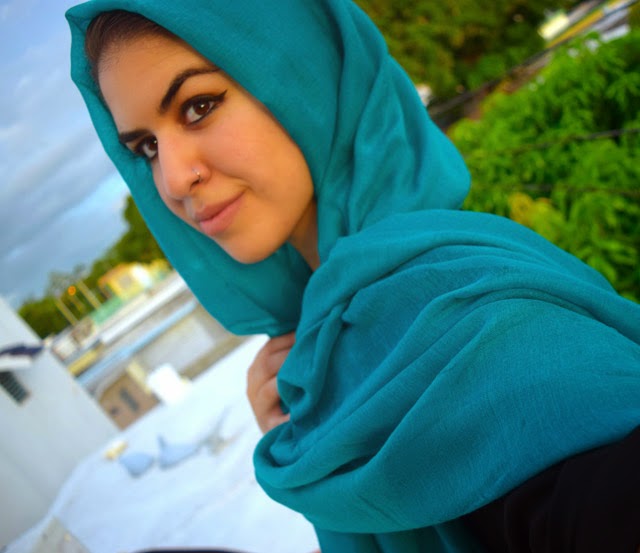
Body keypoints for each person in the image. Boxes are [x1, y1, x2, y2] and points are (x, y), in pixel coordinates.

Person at [66, 1, 640, 552]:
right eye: (146, 147)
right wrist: (321, 411)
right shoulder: (329, 343)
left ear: (303, 76)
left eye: (198, 107)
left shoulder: (443, 309)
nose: (172, 179)